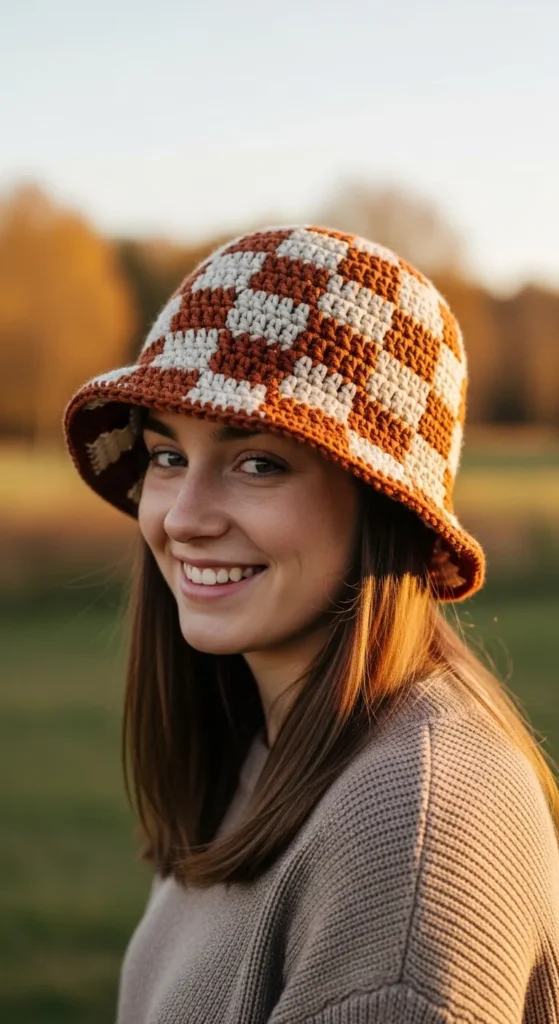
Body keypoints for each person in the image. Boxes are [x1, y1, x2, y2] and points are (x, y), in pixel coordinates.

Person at [63, 225, 559, 1024]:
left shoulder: (407, 833)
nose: (183, 518)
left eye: (258, 462)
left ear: (383, 503)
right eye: (166, 456)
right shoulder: (264, 744)